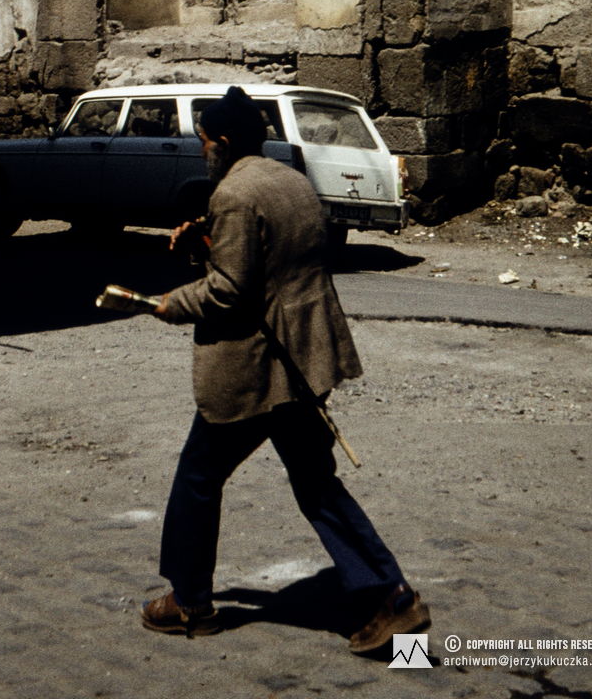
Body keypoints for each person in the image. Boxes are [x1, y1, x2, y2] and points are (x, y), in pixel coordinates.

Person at [141, 85, 429, 654]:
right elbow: (274, 262)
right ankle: (392, 596)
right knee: (317, 485)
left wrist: (171, 303)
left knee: (198, 479)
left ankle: (189, 602)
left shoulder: (234, 196)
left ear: (222, 141)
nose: (202, 151)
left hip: (257, 369)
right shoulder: (291, 181)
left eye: (204, 142)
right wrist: (210, 244)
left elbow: (229, 292)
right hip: (304, 359)